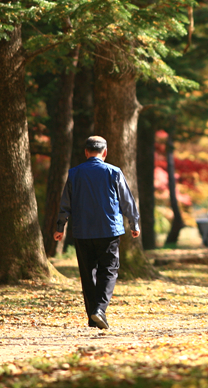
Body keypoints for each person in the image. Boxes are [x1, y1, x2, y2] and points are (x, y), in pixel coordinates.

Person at [54, 136, 140, 330]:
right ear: (105, 152)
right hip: (109, 230)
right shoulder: (113, 172)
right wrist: (134, 223)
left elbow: (65, 203)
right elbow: (127, 200)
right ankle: (99, 310)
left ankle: (93, 317)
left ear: (86, 152)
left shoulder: (74, 173)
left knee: (87, 274)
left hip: (82, 231)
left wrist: (60, 227)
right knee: (109, 271)